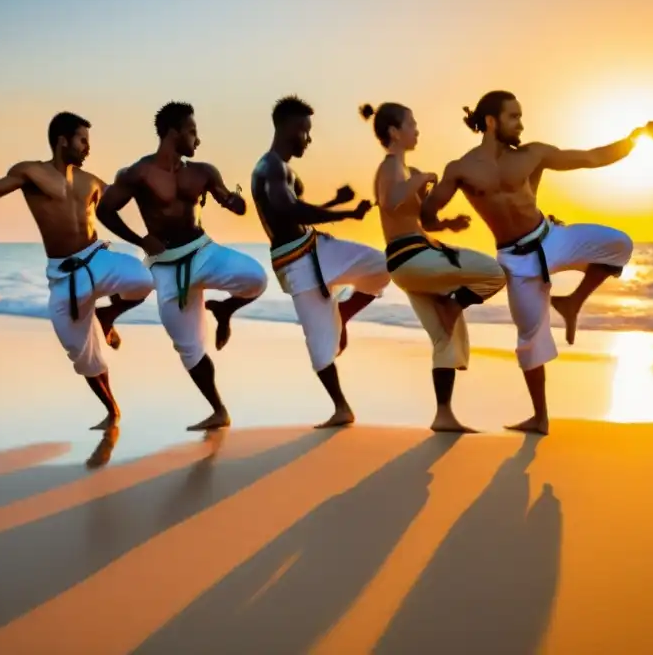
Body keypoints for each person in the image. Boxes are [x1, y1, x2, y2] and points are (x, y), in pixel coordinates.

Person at [420, 90, 653, 435]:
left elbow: (592, 158)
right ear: (491, 121)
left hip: (551, 238)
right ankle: (540, 418)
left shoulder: (532, 154)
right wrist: (442, 220)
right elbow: (428, 216)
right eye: (514, 117)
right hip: (515, 259)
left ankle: (572, 303)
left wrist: (635, 137)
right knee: (529, 343)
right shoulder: (460, 169)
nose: (521, 124)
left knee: (618, 244)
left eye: (521, 116)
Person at [0, 112, 155, 430]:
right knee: (83, 355)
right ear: (62, 141)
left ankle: (107, 317)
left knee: (145, 278)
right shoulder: (31, 173)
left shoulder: (92, 182)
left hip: (97, 258)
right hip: (65, 276)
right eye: (83, 141)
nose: (87, 148)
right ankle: (112, 411)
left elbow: (128, 200)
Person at [96, 101, 267, 431]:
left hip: (203, 251)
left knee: (256, 278)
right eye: (192, 132)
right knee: (188, 349)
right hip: (165, 267)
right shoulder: (138, 173)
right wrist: (140, 240)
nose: (197, 140)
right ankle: (219, 410)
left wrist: (233, 199)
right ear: (173, 133)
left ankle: (225, 310)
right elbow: (105, 211)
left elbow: (235, 205)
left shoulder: (202, 171)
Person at [365, 102, 506, 433]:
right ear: (394, 132)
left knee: (446, 338)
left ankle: (444, 415)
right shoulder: (389, 168)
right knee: (496, 272)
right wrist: (424, 178)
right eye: (412, 124)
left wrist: (448, 223)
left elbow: (420, 220)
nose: (417, 129)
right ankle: (454, 303)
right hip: (410, 258)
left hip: (417, 261)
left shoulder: (408, 173)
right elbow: (390, 202)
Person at [250, 95, 390, 428]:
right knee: (320, 345)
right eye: (304, 131)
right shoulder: (270, 166)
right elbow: (288, 211)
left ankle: (343, 311)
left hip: (316, 246)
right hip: (296, 263)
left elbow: (295, 211)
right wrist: (344, 212)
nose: (308, 139)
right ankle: (342, 408)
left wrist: (333, 203)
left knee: (386, 266)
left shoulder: (283, 169)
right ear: (286, 128)